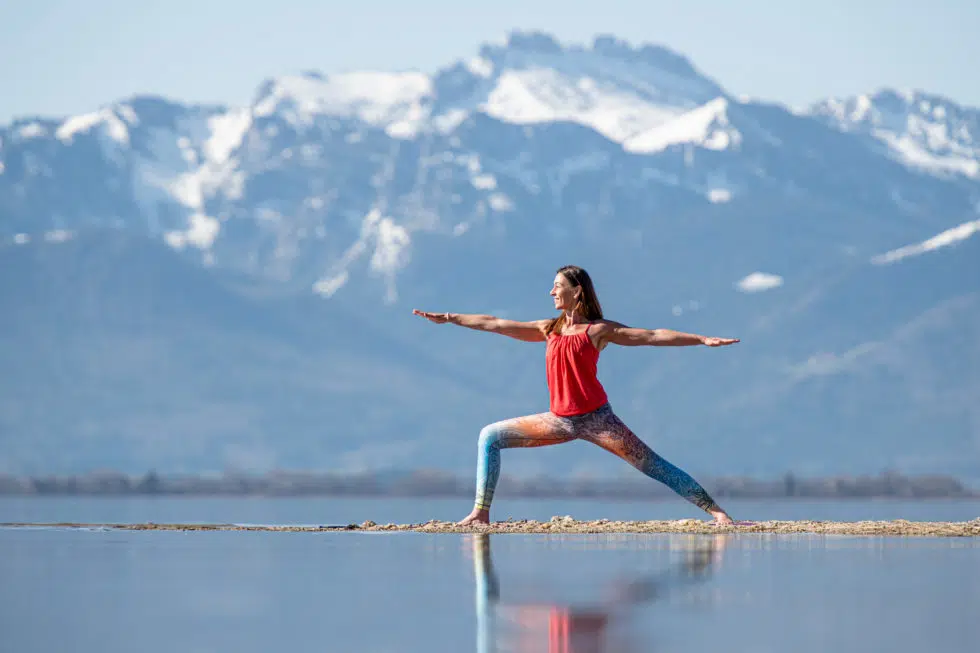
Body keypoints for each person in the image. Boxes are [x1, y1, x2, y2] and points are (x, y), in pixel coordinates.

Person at [413, 265, 739, 526]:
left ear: (576, 290)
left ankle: (718, 514)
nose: (551, 291)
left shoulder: (597, 331)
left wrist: (700, 339)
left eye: (557, 285)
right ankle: (481, 513)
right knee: (489, 437)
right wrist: (451, 318)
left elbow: (652, 335)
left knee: (653, 465)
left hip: (599, 420)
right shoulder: (548, 329)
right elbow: (495, 323)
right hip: (557, 420)